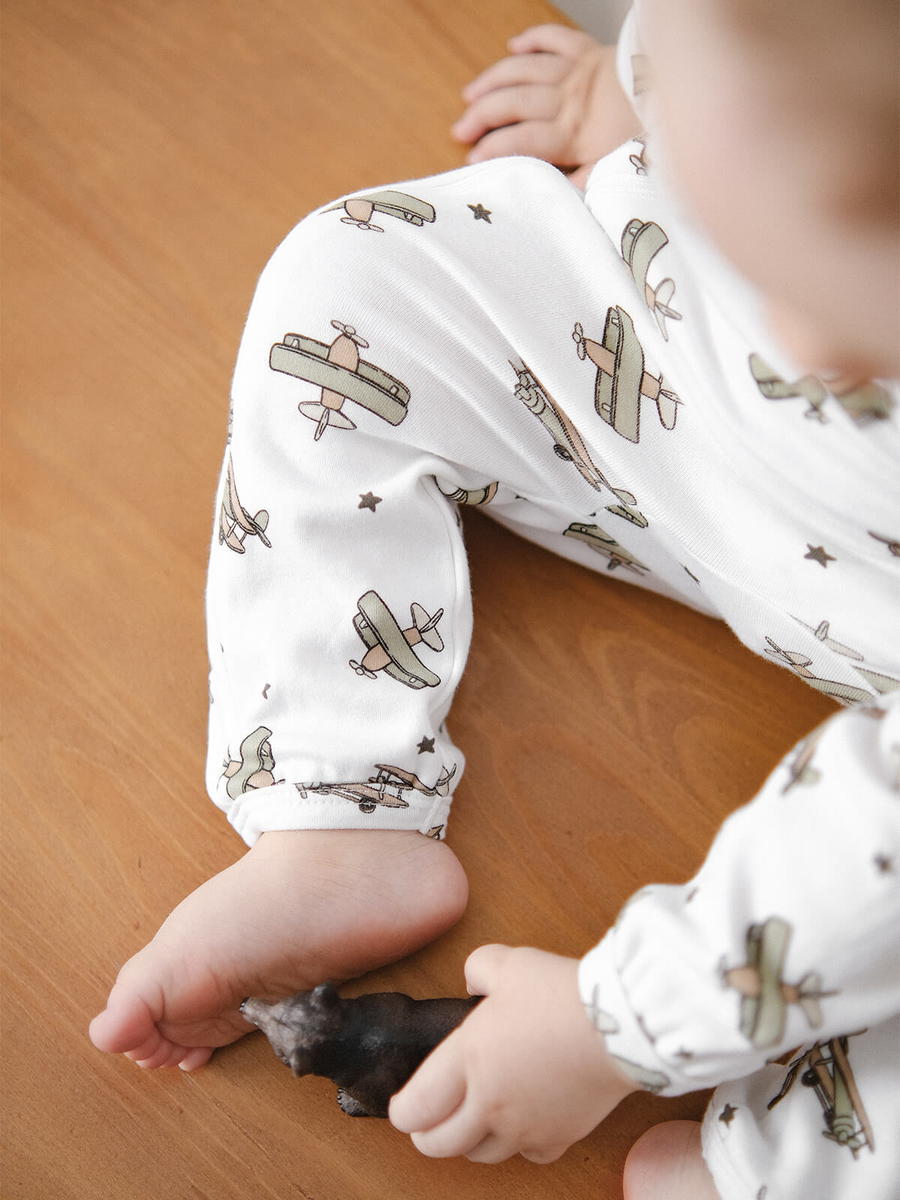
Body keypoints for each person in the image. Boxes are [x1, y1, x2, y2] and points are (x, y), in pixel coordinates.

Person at [90, 1, 900, 1194]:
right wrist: (649, 96)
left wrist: (613, 1026)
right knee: (353, 277)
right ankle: (338, 812)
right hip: (679, 398)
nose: (812, 358)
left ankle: (776, 1167)